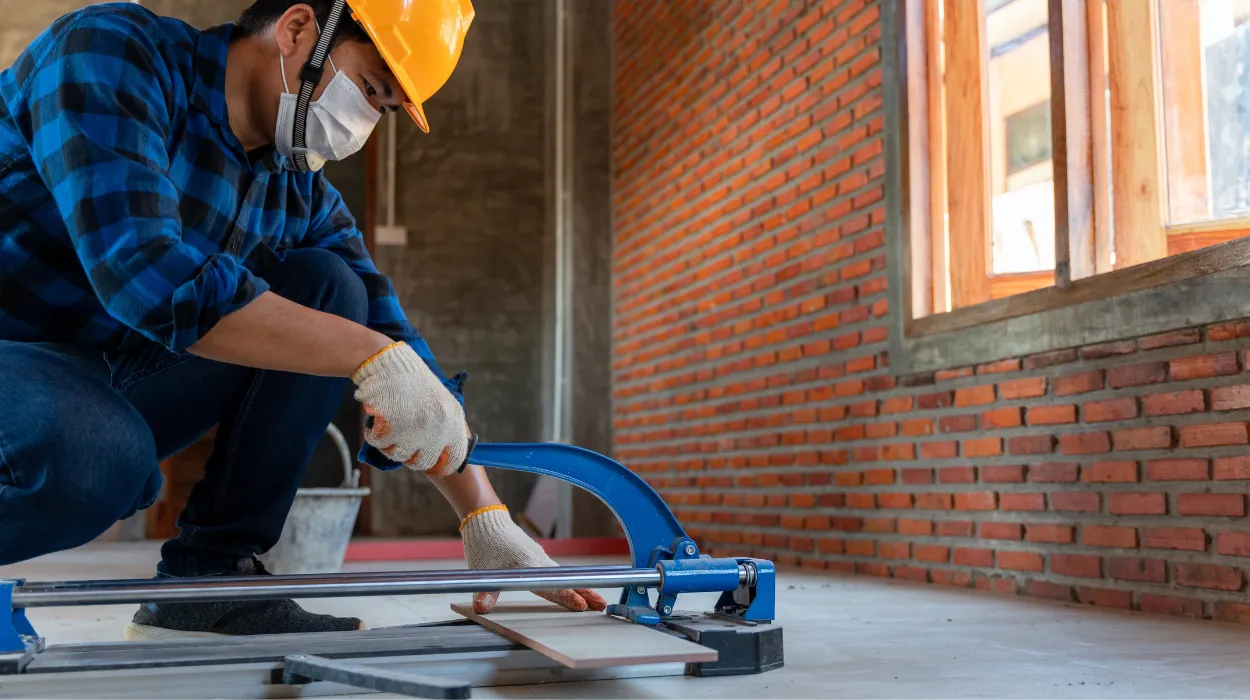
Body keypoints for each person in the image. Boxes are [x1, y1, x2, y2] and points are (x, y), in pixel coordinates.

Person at [0, 0, 605, 640]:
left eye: (386, 109)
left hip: (100, 373)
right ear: (297, 30)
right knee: (99, 459)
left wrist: (483, 517)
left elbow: (393, 343)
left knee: (329, 285)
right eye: (370, 89)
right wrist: (367, 354)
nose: (365, 121)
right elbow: (144, 275)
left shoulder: (298, 192)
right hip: (18, 355)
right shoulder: (113, 52)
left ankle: (209, 584)